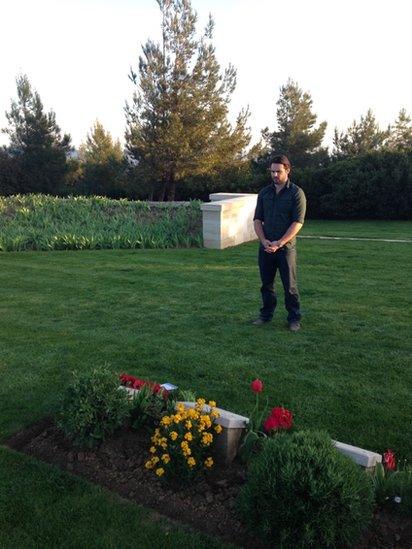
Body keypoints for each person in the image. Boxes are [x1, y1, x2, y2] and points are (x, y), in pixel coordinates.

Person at [252, 155, 306, 331]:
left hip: (286, 249)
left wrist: (280, 243)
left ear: (288, 170)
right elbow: (257, 220)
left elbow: (297, 223)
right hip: (266, 247)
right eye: (272, 171)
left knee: (289, 286)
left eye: (278, 171)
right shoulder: (264, 193)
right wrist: (264, 241)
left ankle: (294, 319)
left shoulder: (296, 193)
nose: (275, 175)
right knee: (266, 285)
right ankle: (265, 315)